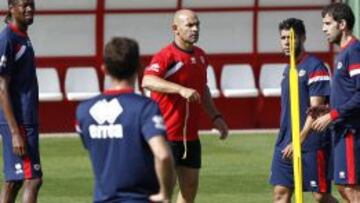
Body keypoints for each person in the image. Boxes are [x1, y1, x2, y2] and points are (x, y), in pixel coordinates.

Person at [142, 9, 229, 203]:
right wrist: (180, 89)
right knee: (164, 194)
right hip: (166, 136)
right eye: (189, 25)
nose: (195, 29)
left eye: (197, 24)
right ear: (175, 28)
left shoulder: (201, 56)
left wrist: (216, 116)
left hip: (190, 137)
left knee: (189, 191)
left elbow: (202, 89)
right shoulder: (166, 56)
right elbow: (147, 80)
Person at [76, 37, 175, 203]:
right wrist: (165, 194)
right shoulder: (145, 108)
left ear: (104, 69)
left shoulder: (84, 111)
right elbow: (163, 155)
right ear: (139, 68)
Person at [269, 18, 338, 203]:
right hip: (285, 141)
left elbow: (315, 111)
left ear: (303, 38)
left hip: (311, 142)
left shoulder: (315, 67)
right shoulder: (288, 69)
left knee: (320, 195)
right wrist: (288, 139)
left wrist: (298, 141)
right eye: (283, 38)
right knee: (280, 194)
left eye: (291, 37)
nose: (286, 42)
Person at [312, 3, 360, 202]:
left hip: (350, 131)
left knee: (350, 188)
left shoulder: (354, 51)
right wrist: (326, 109)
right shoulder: (343, 53)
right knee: (344, 187)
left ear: (342, 24)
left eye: (327, 23)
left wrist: (332, 115)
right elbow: (348, 93)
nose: (323, 28)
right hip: (341, 129)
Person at [0, 0, 43, 202]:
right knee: (33, 179)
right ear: (11, 7)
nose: (29, 9)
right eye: (23, 5)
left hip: (26, 118)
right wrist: (15, 132)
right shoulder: (8, 38)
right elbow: (1, 87)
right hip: (19, 121)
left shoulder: (22, 36)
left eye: (31, 4)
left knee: (14, 180)